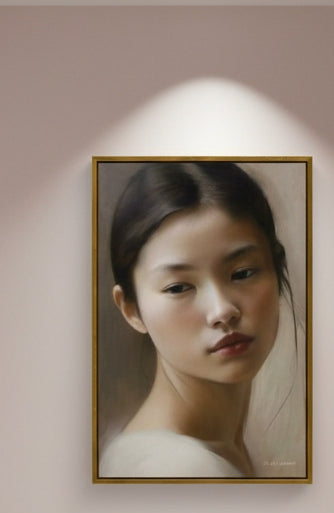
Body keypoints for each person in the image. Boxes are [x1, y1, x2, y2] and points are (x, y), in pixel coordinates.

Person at [98, 160, 299, 479]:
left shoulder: (215, 450)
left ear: (276, 269)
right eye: (178, 287)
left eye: (243, 273)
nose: (222, 310)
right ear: (131, 309)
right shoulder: (180, 467)